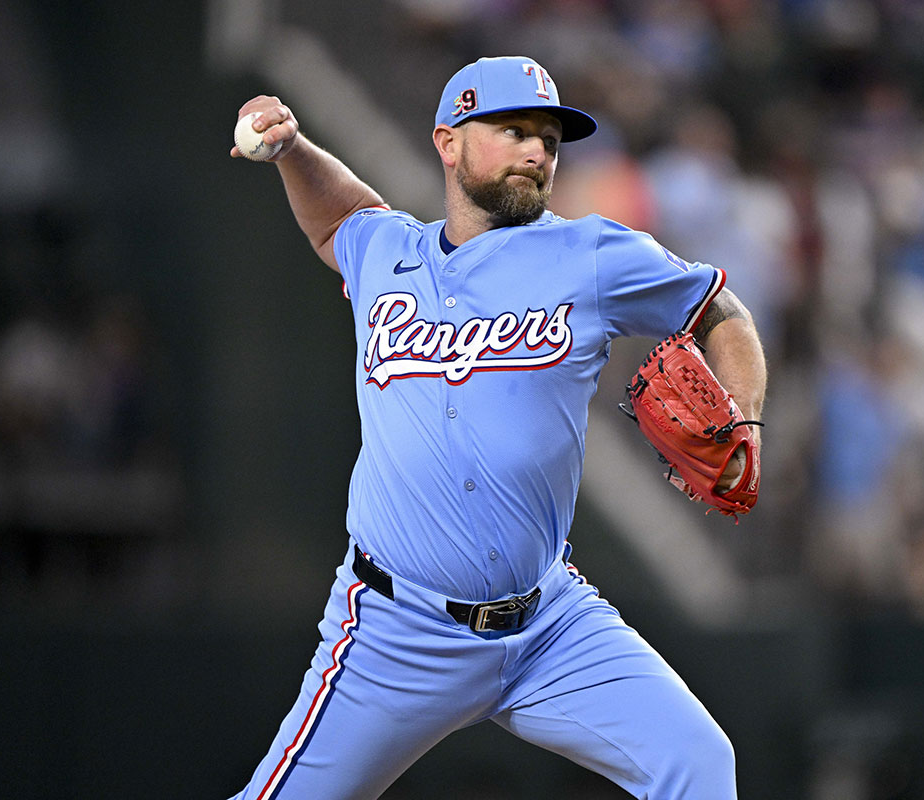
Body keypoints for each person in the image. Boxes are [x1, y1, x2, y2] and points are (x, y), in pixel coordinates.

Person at [227, 56, 766, 800]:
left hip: (550, 626)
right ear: (448, 143)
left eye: (549, 137)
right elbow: (337, 218)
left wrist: (744, 413)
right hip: (398, 629)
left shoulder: (594, 255)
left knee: (700, 764)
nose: (537, 151)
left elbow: (721, 312)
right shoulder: (387, 254)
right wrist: (292, 149)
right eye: (514, 130)